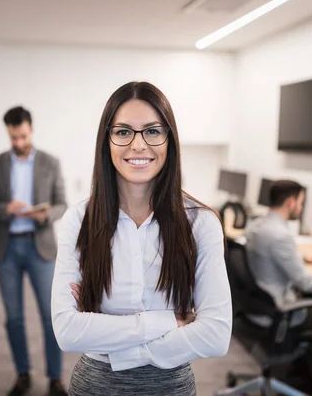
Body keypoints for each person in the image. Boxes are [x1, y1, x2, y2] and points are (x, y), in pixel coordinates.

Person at [51, 81, 232, 395]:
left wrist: (113, 341)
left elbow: (215, 334)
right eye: (123, 132)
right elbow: (67, 332)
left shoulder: (201, 224)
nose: (138, 145)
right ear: (106, 141)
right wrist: (168, 322)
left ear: (169, 140)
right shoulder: (78, 221)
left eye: (152, 131)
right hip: (95, 387)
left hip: (170, 388)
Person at [0, 106, 68, 396]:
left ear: (31, 129)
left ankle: (55, 377)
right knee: (14, 318)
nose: (18, 143)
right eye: (13, 137)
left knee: (49, 315)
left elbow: (61, 204)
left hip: (39, 246)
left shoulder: (50, 163)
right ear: (7, 133)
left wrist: (43, 215)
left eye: (23, 136)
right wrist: (4, 209)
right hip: (6, 250)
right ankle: (22, 375)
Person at [245, 179, 312, 394]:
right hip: (278, 308)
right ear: (290, 202)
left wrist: (299, 258)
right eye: (301, 203)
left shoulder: (257, 224)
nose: (301, 208)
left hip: (258, 303)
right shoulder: (280, 234)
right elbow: (305, 282)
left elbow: (272, 257)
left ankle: (297, 372)